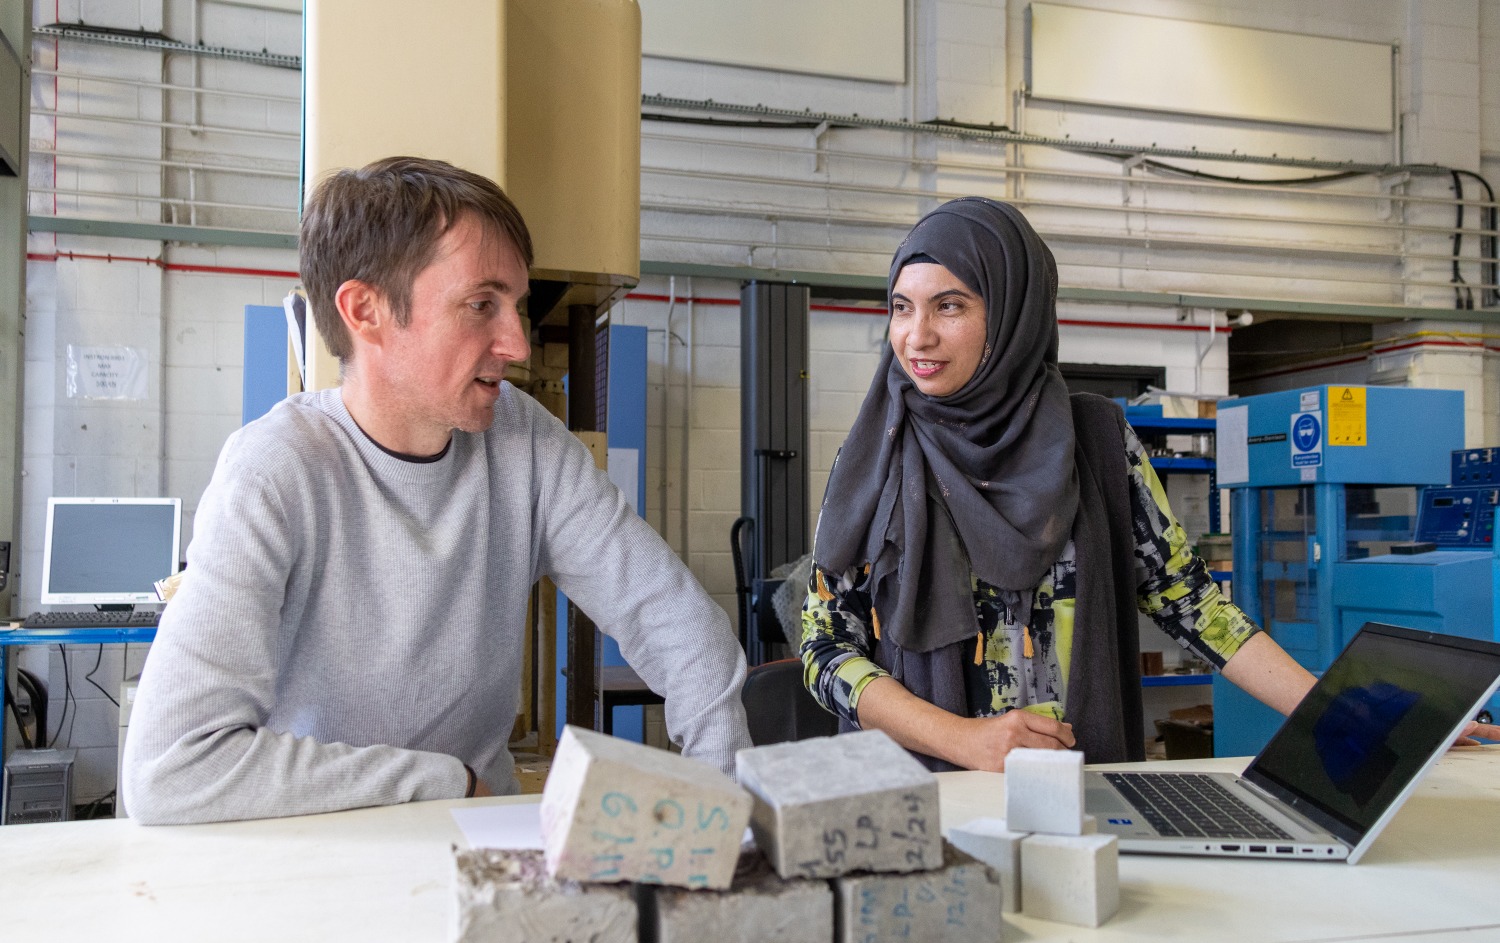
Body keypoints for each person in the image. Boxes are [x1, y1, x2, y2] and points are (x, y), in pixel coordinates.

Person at [123, 157, 751, 823]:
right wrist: (441, 781)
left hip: (477, 848)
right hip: (318, 854)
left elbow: (677, 624)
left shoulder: (525, 443)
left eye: (518, 306)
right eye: (481, 305)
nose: (517, 344)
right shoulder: (276, 472)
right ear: (365, 311)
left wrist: (724, 821)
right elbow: (172, 768)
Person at [802, 197, 1497, 772]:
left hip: (1083, 789)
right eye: (901, 307)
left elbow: (1192, 605)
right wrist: (962, 740)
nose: (915, 335)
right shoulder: (874, 460)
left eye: (948, 306)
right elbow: (823, 647)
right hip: (921, 801)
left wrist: (1348, 713)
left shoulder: (1096, 446)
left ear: (1012, 313)